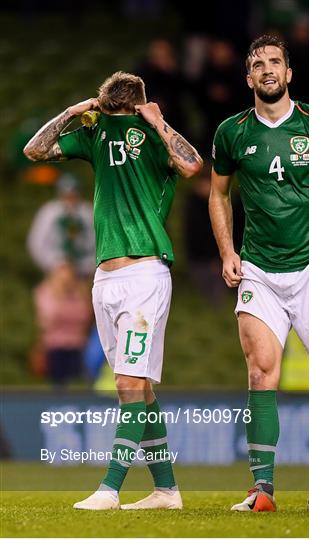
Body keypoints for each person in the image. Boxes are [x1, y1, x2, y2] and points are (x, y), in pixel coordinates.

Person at [24, 71, 203, 510]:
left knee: (127, 382)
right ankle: (166, 490)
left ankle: (110, 488)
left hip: (145, 273)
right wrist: (73, 112)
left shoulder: (157, 137)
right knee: (139, 389)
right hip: (104, 280)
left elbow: (193, 165)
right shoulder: (96, 134)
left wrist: (158, 123)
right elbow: (35, 150)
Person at [209, 35, 309, 513]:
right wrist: (226, 251)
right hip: (258, 268)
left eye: (275, 61)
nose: (267, 70)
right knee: (261, 373)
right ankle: (262, 489)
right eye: (257, 64)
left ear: (289, 72)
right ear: (248, 78)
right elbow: (218, 194)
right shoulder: (231, 133)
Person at [33, 262, 93, 386]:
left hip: (78, 346)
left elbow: (86, 317)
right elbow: (47, 318)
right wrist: (59, 296)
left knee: (78, 384)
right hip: (54, 347)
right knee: (57, 386)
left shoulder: (80, 294)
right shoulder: (46, 292)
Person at [27, 173, 95, 278]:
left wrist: (89, 266)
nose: (69, 198)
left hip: (85, 271)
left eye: (73, 194)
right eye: (66, 195)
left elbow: (98, 243)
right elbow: (36, 242)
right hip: (56, 272)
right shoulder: (49, 211)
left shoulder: (87, 212)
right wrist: (53, 265)